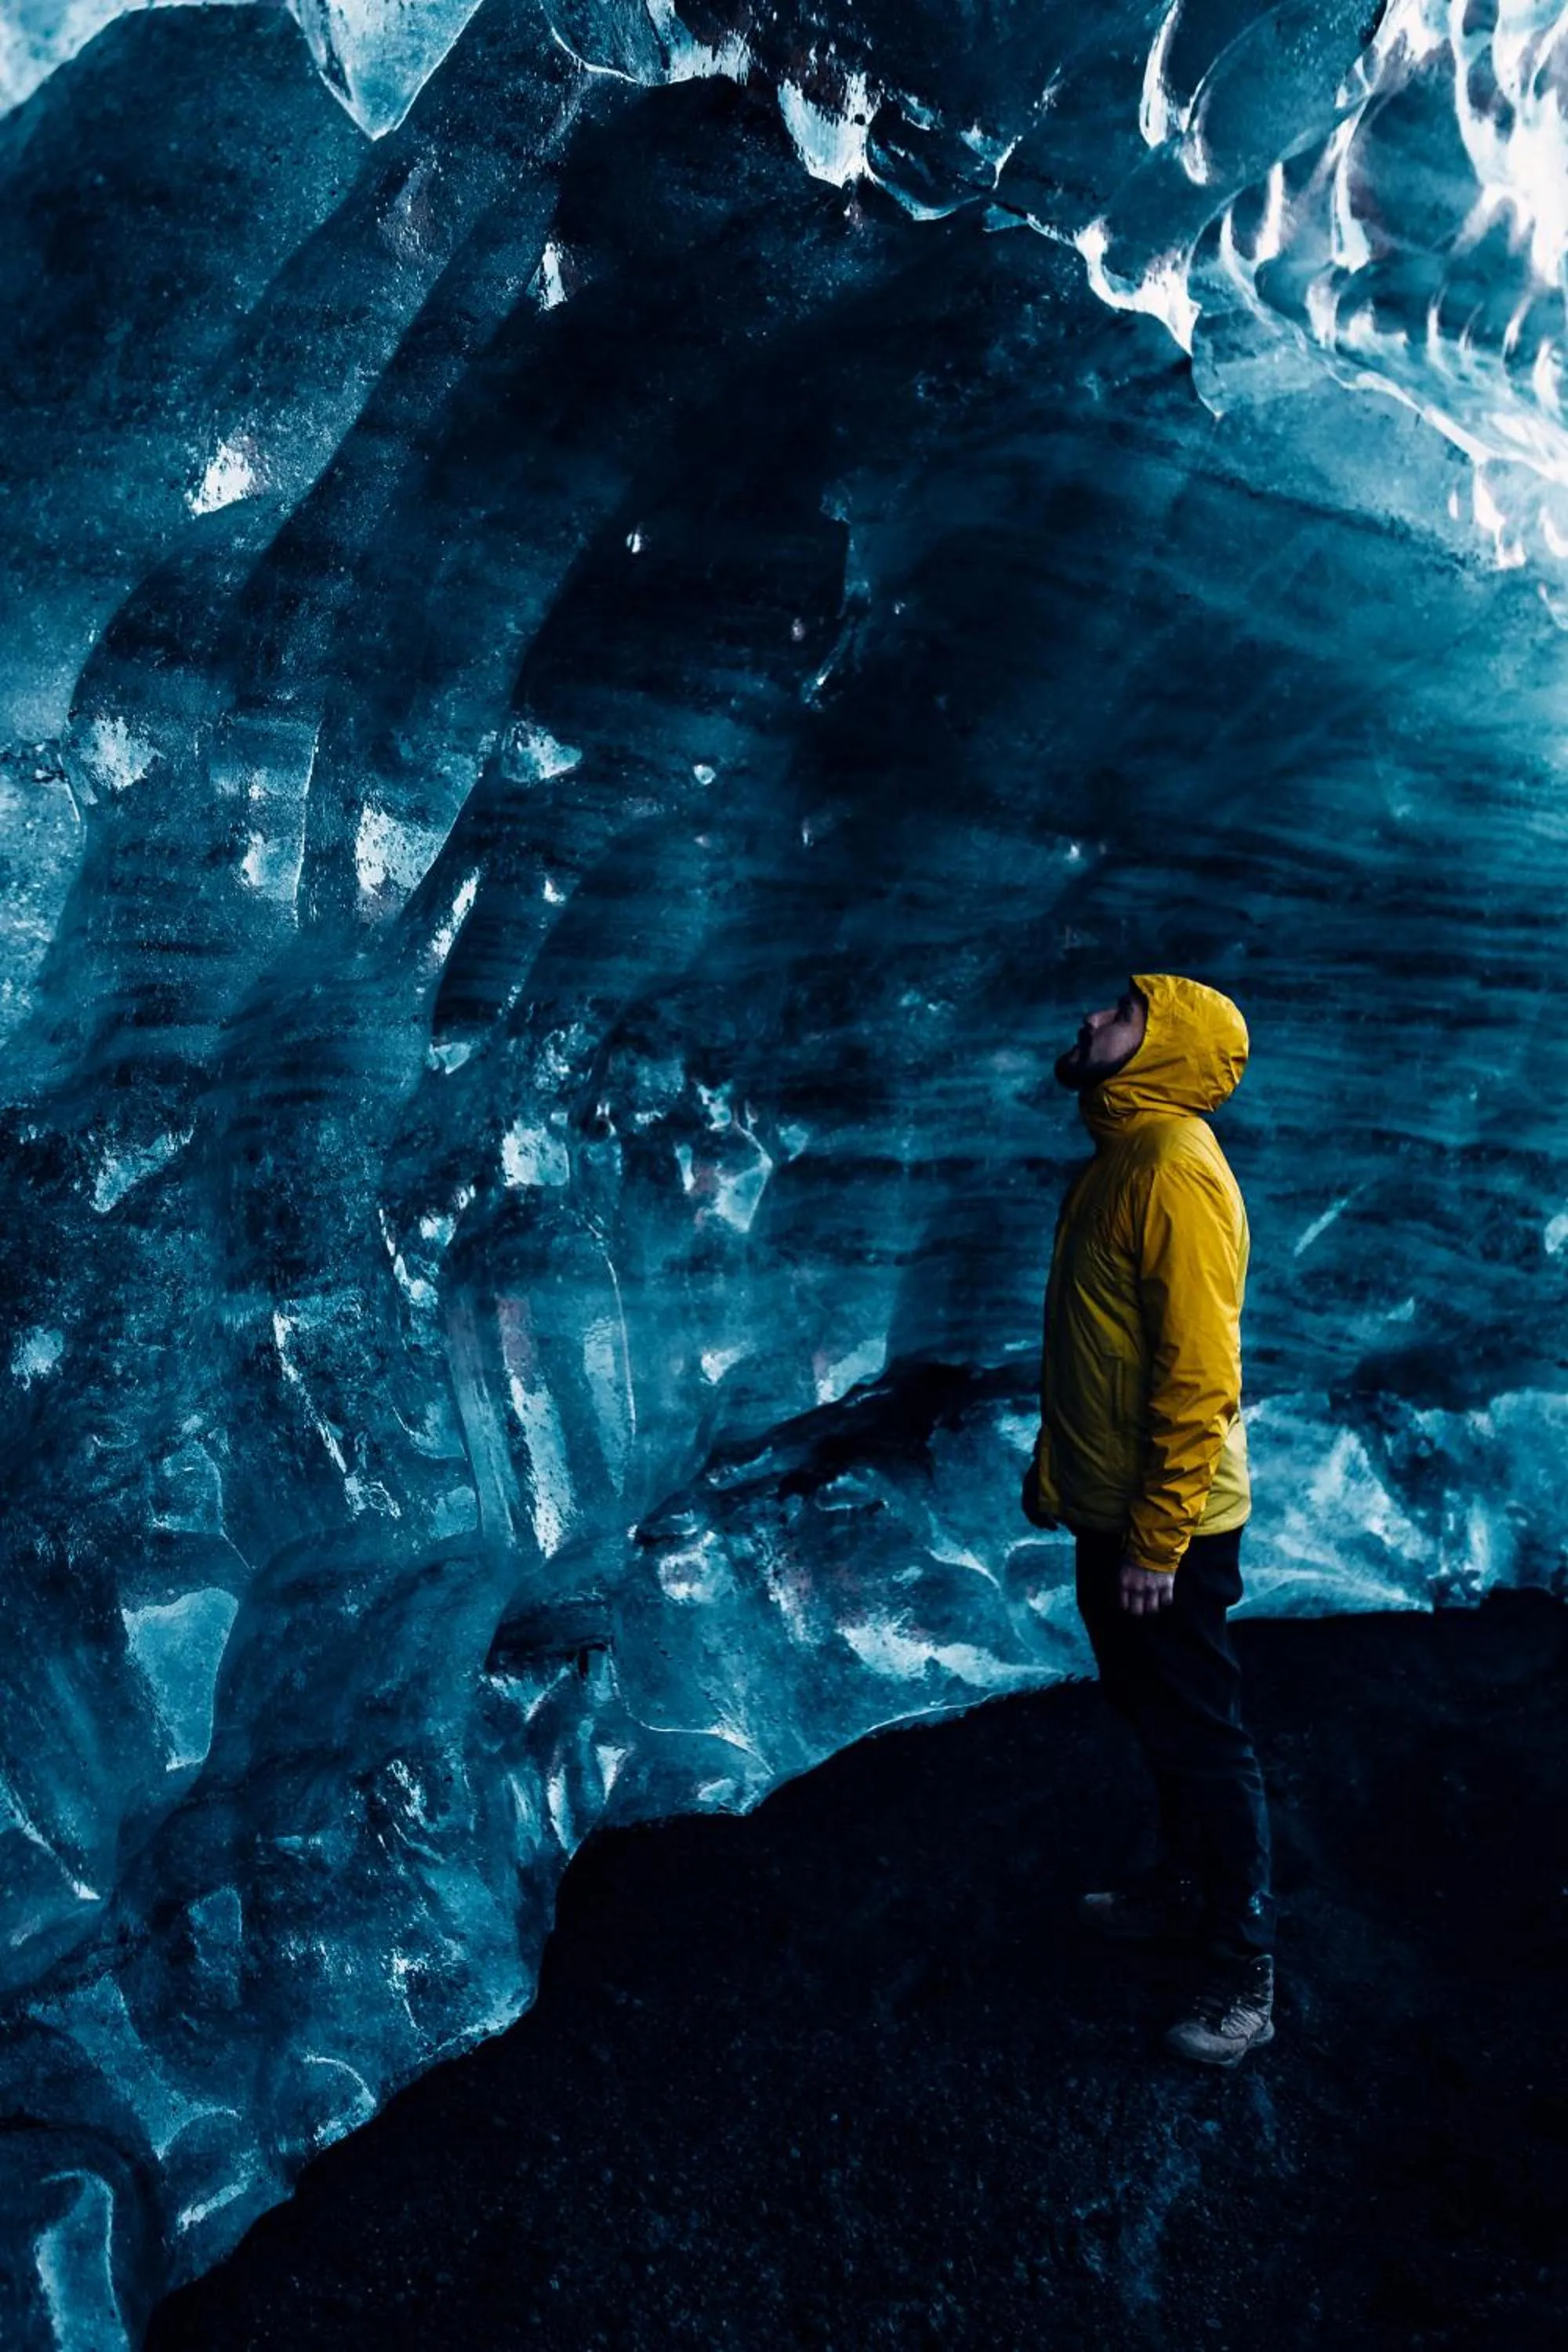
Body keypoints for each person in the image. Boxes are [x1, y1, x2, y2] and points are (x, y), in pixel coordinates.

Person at [1022, 973, 1275, 2067]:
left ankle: (1243, 1974)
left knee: (1202, 1737)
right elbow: (1103, 1350)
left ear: (1162, 1049)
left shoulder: (1173, 1169)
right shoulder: (1120, 1161)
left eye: (1122, 1013)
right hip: (1121, 1509)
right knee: (1156, 1712)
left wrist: (1160, 1538)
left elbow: (1197, 1373)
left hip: (1167, 1525)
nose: (1090, 1016)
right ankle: (1184, 1892)